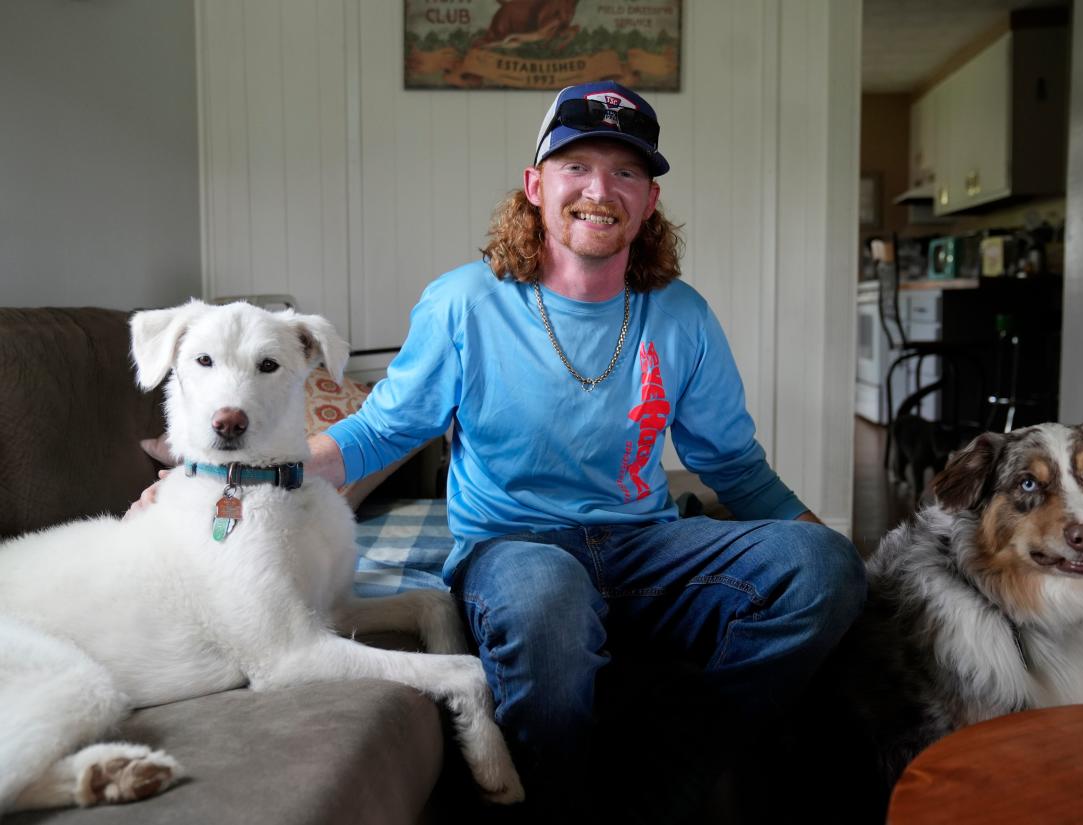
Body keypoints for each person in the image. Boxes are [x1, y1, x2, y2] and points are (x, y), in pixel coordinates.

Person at [137, 80, 865, 821]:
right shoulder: (464, 301)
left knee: (825, 566)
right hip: (513, 548)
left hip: (646, 543)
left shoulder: (681, 315)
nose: (599, 188)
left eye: (626, 172)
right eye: (576, 165)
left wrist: (831, 557)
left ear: (648, 202)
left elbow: (734, 463)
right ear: (536, 185)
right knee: (548, 591)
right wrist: (215, 478)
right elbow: (382, 428)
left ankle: (666, 770)